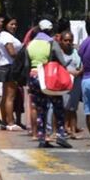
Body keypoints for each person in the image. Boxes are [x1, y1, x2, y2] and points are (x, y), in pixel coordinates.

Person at [25, 20, 71, 149]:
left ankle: (42, 137)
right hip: (48, 77)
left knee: (40, 109)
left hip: (34, 77)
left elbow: (27, 65)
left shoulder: (30, 44)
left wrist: (29, 82)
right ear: (50, 30)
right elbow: (62, 61)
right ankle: (60, 135)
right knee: (58, 106)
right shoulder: (51, 42)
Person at [0, 17, 25, 131]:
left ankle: (5, 121)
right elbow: (12, 52)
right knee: (10, 97)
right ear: (5, 25)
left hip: (5, 66)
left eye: (15, 24)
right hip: (10, 67)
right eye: (11, 24)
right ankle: (11, 122)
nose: (14, 26)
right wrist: (22, 58)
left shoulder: (5, 35)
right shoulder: (6, 36)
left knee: (5, 96)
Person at [58, 30, 83, 139]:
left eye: (70, 40)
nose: (68, 42)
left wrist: (79, 72)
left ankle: (73, 130)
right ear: (61, 41)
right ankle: (63, 129)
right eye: (65, 40)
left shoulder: (76, 52)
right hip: (63, 83)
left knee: (73, 108)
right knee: (64, 107)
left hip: (75, 83)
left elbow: (82, 65)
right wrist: (69, 72)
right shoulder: (58, 53)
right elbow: (57, 67)